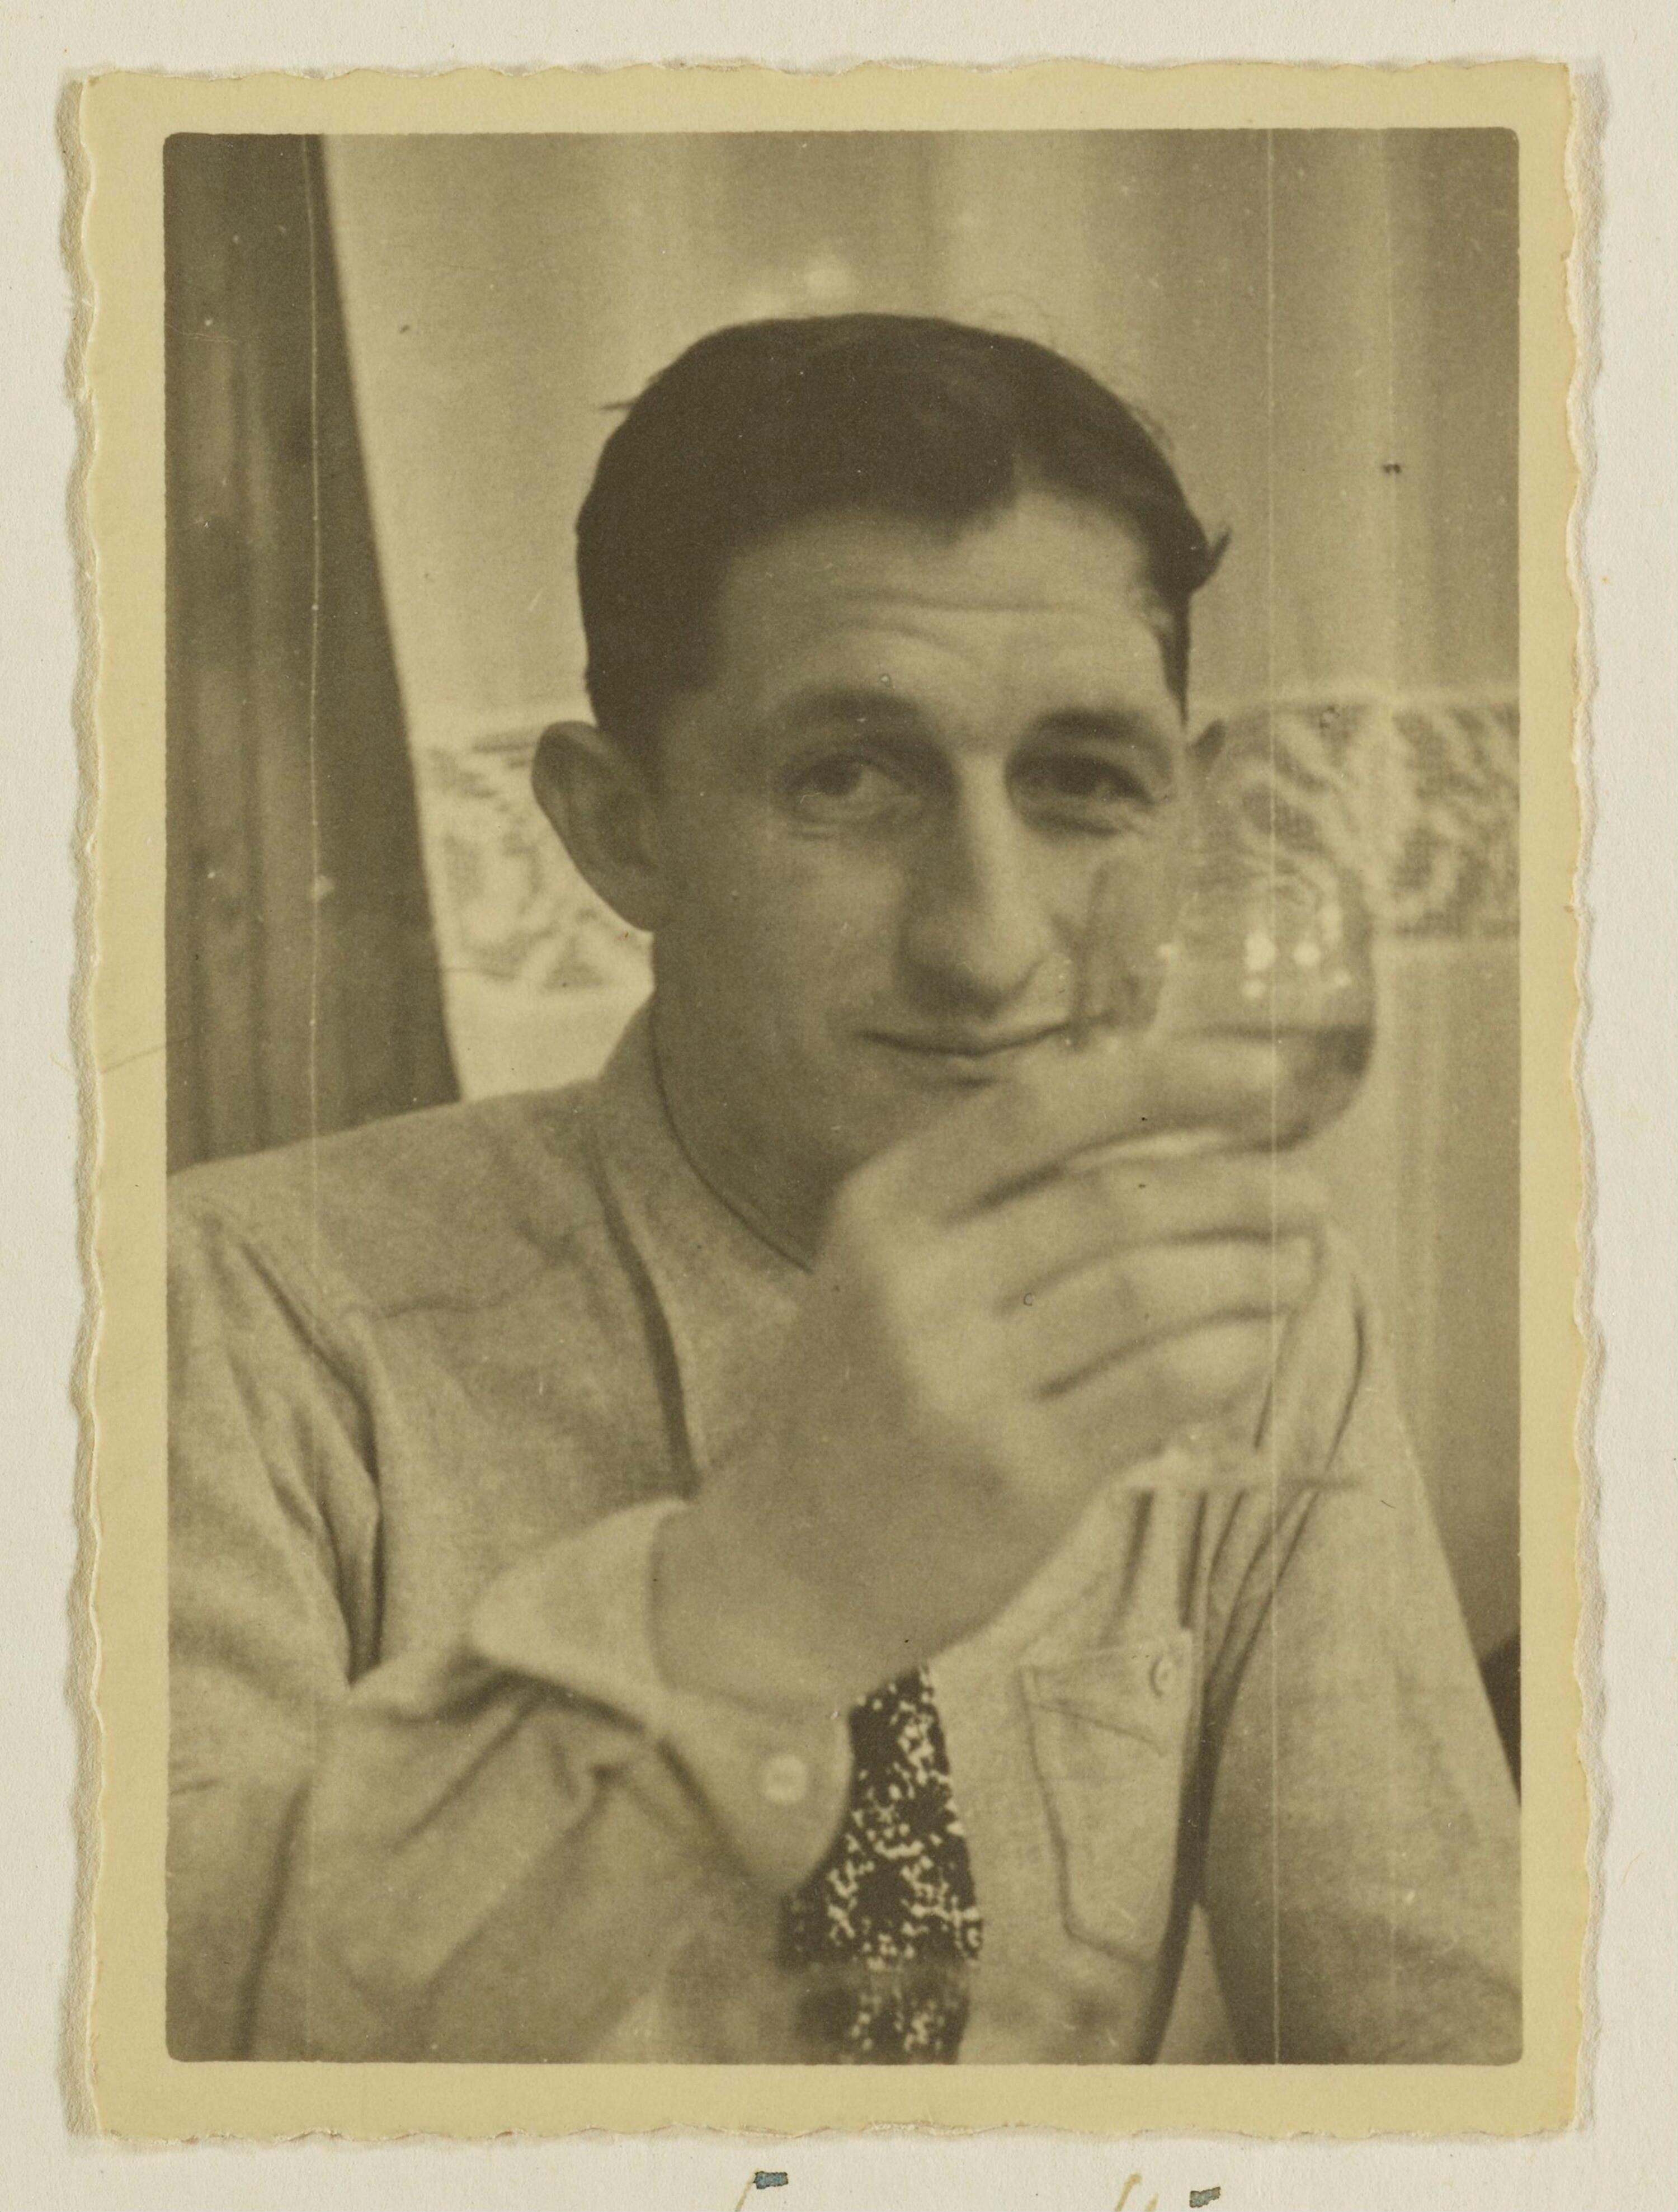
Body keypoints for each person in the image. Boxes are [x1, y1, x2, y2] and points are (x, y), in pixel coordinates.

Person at [167, 313, 1520, 2065]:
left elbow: (1449, 2050)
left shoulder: (1242, 1305)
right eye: (850, 779)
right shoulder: (241, 1311)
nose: (989, 943)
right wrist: (775, 1588)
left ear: (1184, 823)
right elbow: (164, 2085)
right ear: (618, 826)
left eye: (1083, 784)